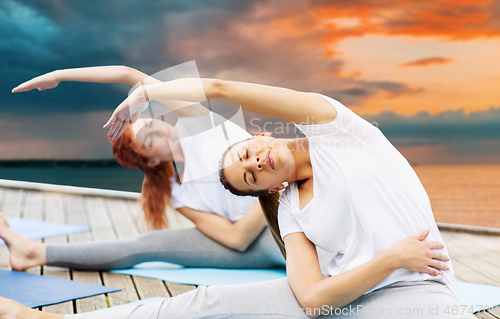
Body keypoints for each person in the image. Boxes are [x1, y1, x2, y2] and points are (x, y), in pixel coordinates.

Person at [0, 77, 472, 318]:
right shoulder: (289, 209)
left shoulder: (341, 132)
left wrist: (146, 90)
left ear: (260, 135)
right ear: (264, 191)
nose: (255, 163)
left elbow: (220, 88)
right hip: (356, 291)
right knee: (203, 303)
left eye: (247, 153)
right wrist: (389, 260)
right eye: (249, 177)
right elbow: (312, 300)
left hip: (421, 295)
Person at [0, 67, 285, 274]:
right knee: (146, 244)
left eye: (152, 123)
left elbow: (130, 75)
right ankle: (33, 252)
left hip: (289, 218)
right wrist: (275, 189)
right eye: (150, 140)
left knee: (305, 247)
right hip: (259, 239)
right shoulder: (180, 195)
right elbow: (237, 239)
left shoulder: (200, 124)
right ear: (149, 161)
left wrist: (60, 75)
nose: (162, 130)